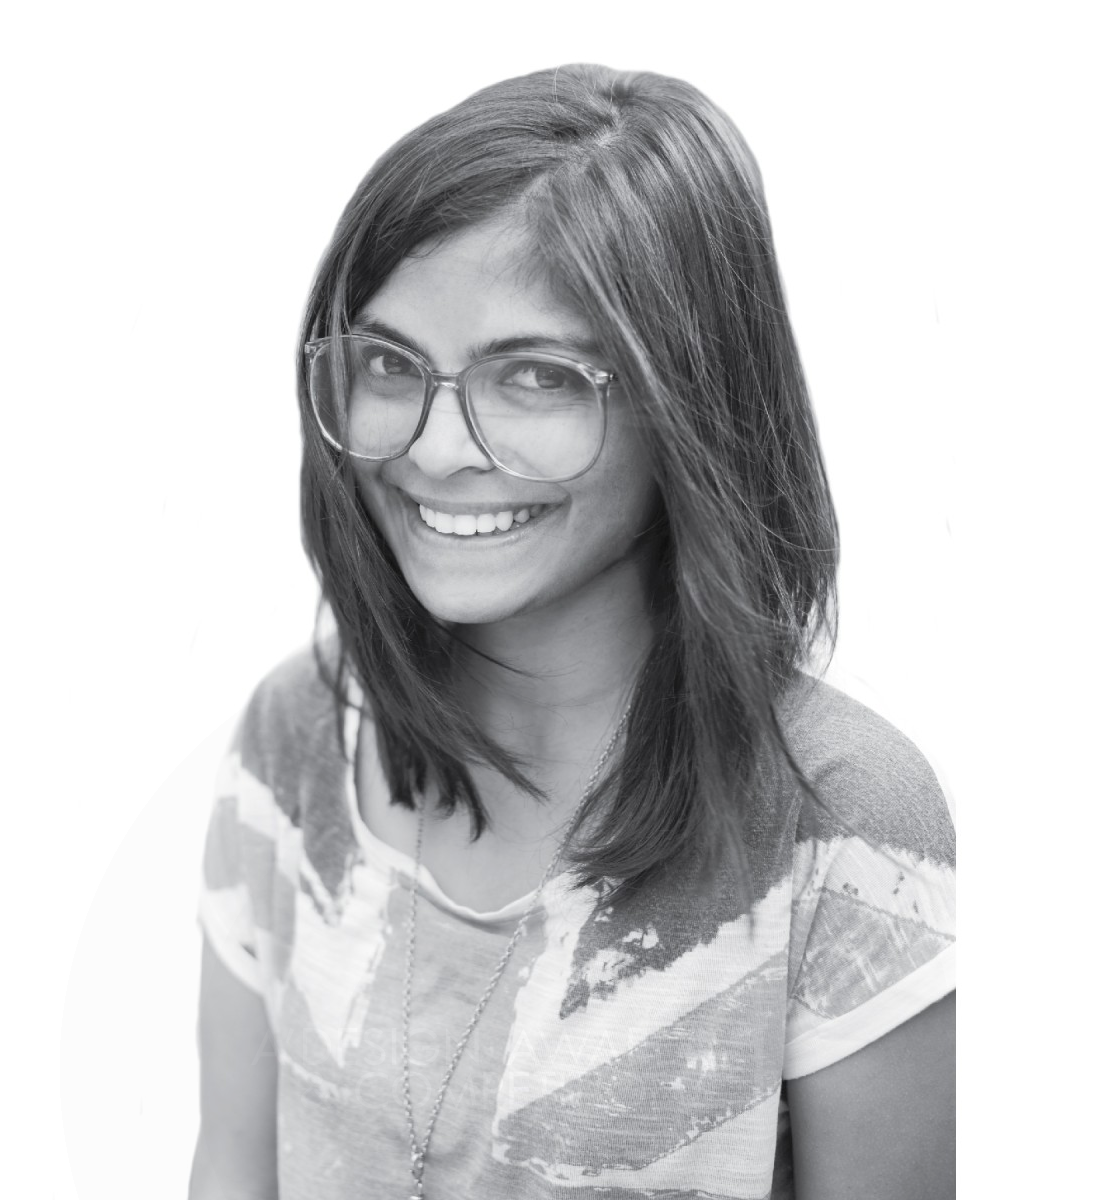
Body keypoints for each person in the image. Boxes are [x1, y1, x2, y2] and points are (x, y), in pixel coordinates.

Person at [190, 64, 956, 1200]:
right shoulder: (296, 737)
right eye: (390, 364)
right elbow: (231, 1167)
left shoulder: (844, 825)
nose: (436, 448)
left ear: (691, 400)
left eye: (537, 378)